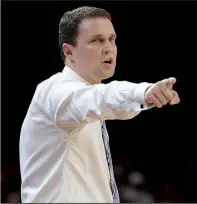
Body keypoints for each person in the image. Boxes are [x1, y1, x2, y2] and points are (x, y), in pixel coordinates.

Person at [19, 6, 180, 203]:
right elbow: (102, 97)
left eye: (112, 39)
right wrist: (143, 93)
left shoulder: (87, 95)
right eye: (97, 40)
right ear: (69, 51)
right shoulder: (55, 92)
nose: (109, 48)